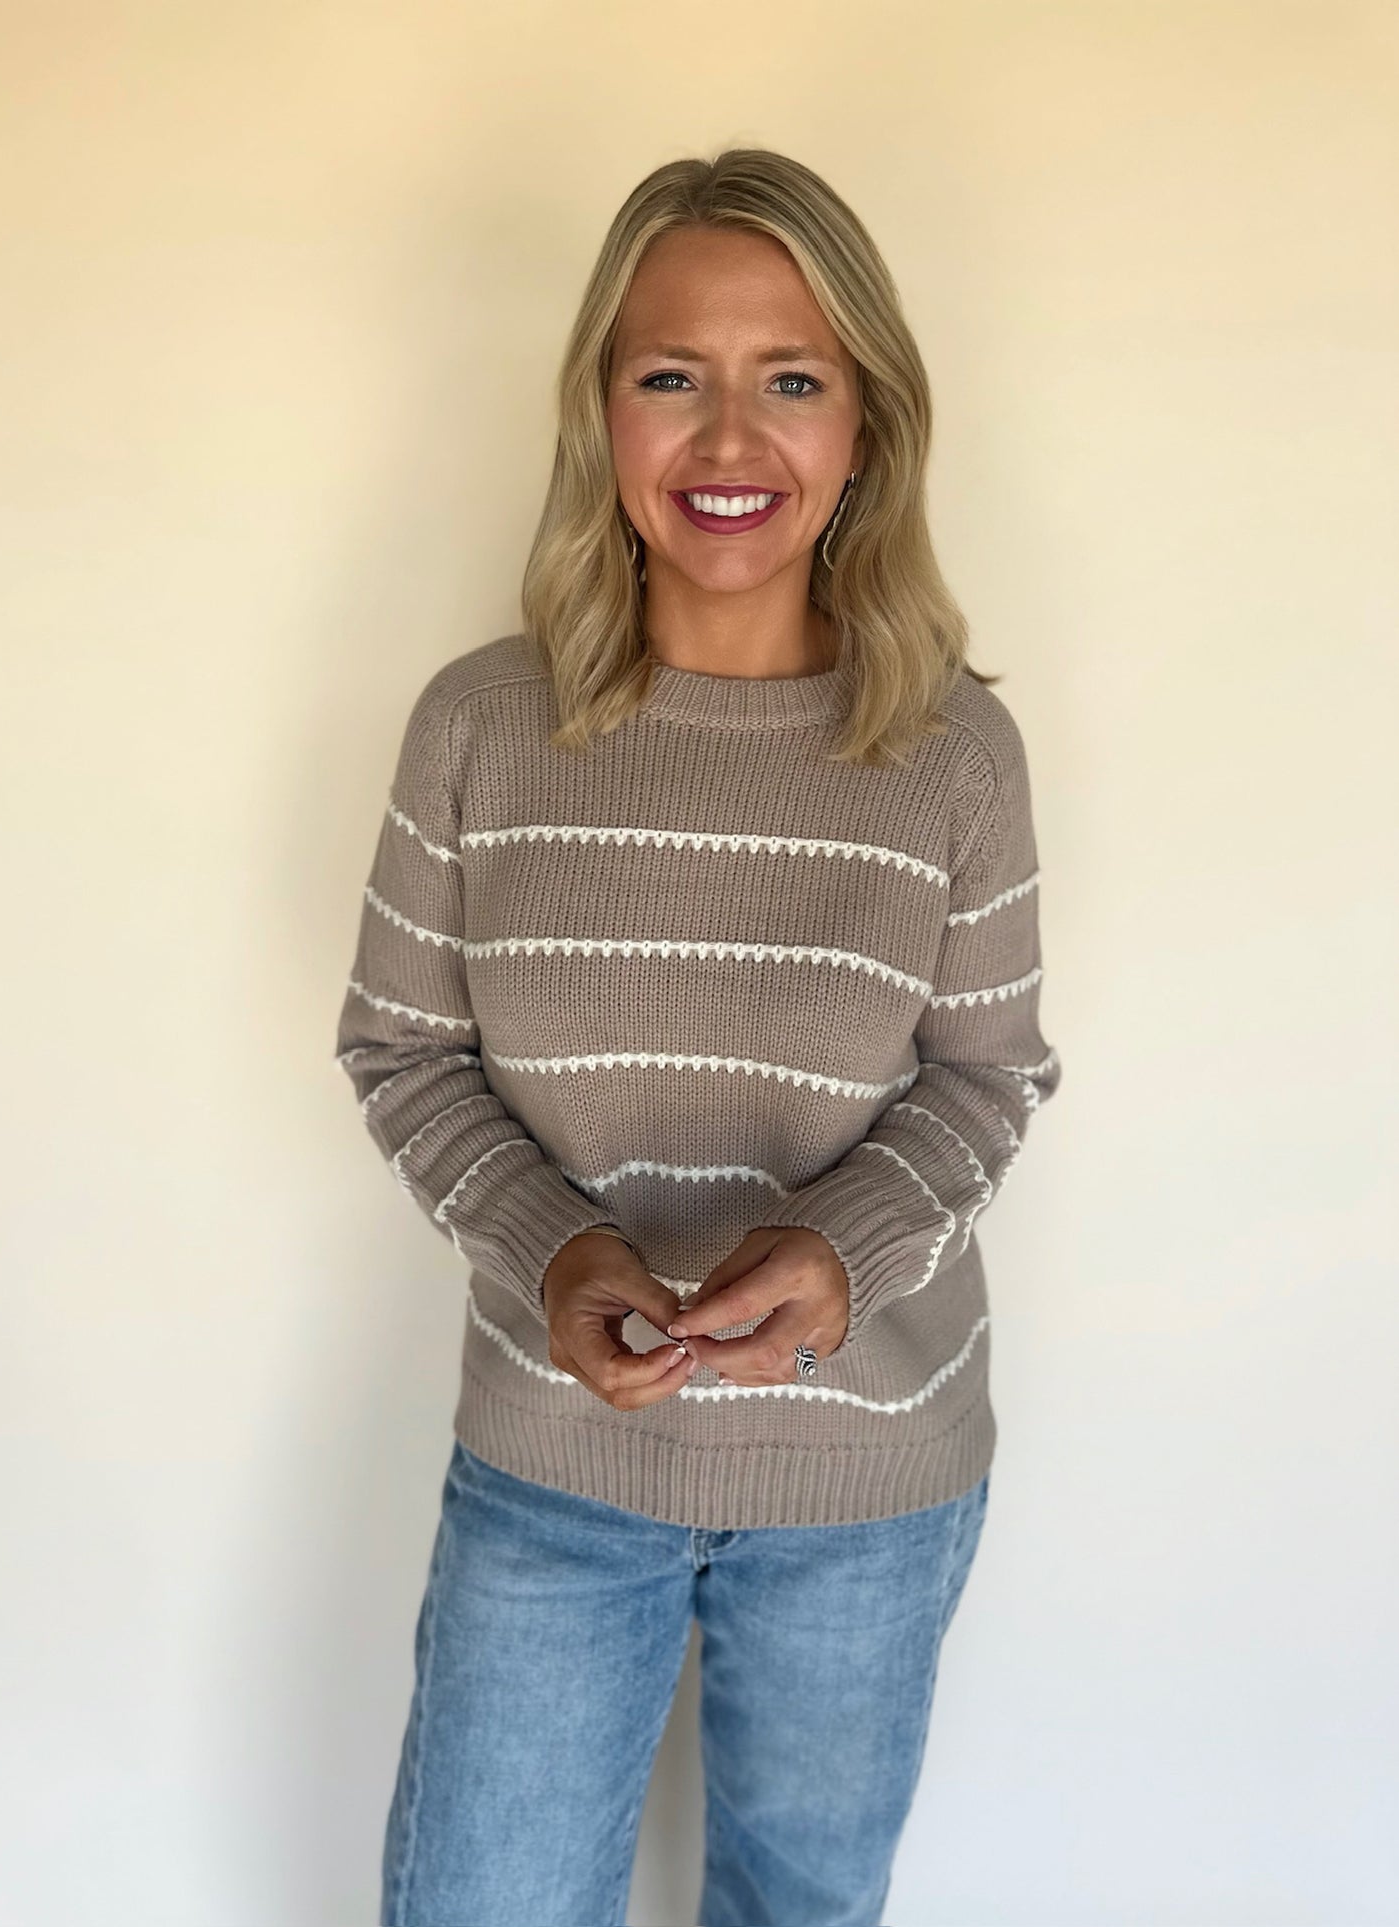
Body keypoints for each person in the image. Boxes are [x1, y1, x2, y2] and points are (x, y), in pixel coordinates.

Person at [335, 146, 1062, 1927]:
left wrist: (841, 1246)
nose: (729, 442)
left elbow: (987, 1078)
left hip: (865, 1482)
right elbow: (401, 1051)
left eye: (789, 380)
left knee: (797, 1908)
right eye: (673, 376)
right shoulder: (482, 729)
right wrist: (554, 1246)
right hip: (551, 1470)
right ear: (601, 413)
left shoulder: (951, 756)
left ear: (866, 428)